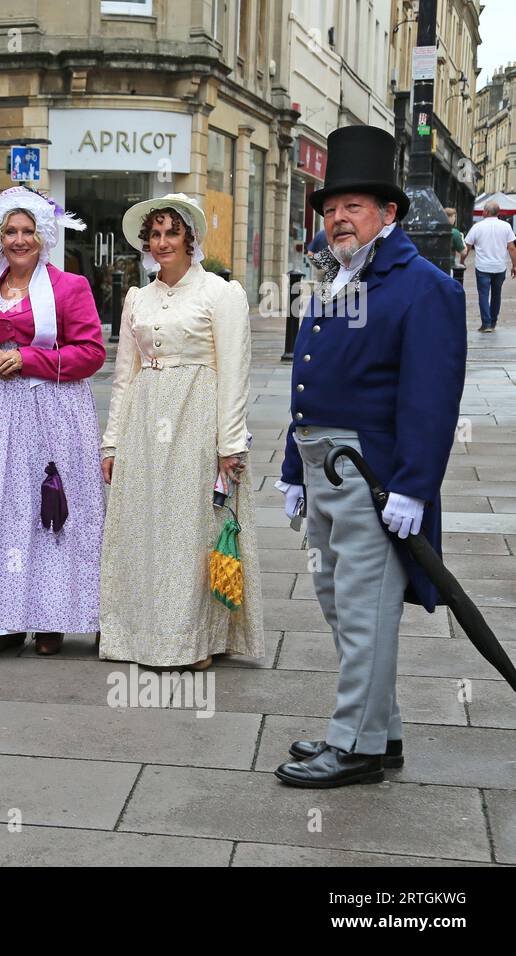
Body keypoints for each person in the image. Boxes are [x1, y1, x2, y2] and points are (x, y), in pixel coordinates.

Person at [275, 125, 466, 788]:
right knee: (340, 601)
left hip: (373, 476)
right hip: (324, 467)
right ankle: (377, 731)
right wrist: (294, 470)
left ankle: (353, 744)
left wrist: (413, 486)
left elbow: (430, 398)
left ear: (389, 214)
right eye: (330, 210)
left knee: (364, 608)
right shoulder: (334, 279)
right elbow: (312, 384)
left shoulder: (425, 288)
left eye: (353, 207)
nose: (337, 219)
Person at [99, 194, 264, 670]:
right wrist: (112, 442)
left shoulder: (220, 292)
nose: (162, 241)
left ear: (191, 238)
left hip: (197, 417)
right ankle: (141, 634)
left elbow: (235, 370)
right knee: (146, 528)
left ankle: (193, 641)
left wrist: (230, 443)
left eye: (172, 232)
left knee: (193, 530)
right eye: (155, 233)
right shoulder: (137, 297)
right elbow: (125, 375)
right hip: (145, 423)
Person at [0, 185, 107, 656]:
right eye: (11, 231)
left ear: (43, 236)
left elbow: (92, 353)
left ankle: (52, 619)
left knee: (48, 512)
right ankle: (5, 619)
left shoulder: (69, 287)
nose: (19, 240)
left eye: (28, 231)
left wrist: (30, 360)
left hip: (52, 415)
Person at [461, 200, 516, 331]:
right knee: (497, 295)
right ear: (498, 212)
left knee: (483, 295)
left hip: (482, 267)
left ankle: (486, 324)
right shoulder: (506, 226)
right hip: (499, 267)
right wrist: (514, 265)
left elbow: (467, 247)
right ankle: (493, 322)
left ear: (485, 212)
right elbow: (511, 248)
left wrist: (462, 261)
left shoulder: (477, 227)